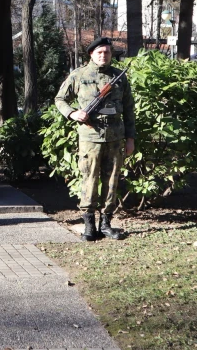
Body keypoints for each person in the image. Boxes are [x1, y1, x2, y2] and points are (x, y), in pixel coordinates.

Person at [55, 37, 136, 241]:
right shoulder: (79, 75)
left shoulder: (119, 77)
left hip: (116, 137)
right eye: (99, 52)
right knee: (89, 179)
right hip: (90, 138)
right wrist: (73, 114)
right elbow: (60, 99)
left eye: (107, 52)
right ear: (91, 54)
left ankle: (106, 223)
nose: (103, 55)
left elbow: (129, 110)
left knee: (112, 181)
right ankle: (89, 225)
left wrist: (130, 139)